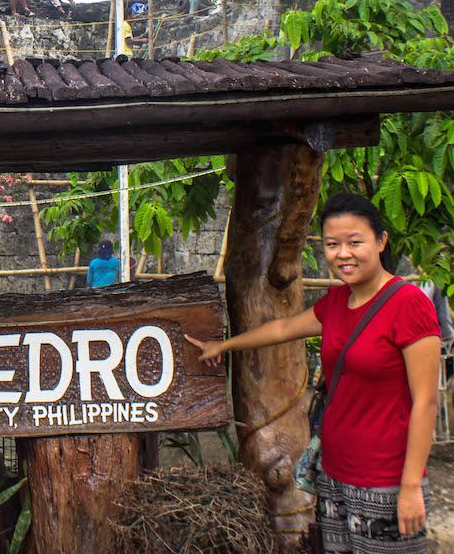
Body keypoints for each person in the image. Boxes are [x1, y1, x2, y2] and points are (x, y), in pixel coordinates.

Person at [185, 193, 440, 552]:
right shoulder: (337, 303)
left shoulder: (409, 304)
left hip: (386, 480)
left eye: (355, 242)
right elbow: (280, 329)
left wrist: (411, 484)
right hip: (334, 473)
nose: (343, 254)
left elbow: (426, 401)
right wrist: (222, 346)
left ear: (381, 242)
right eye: (333, 244)